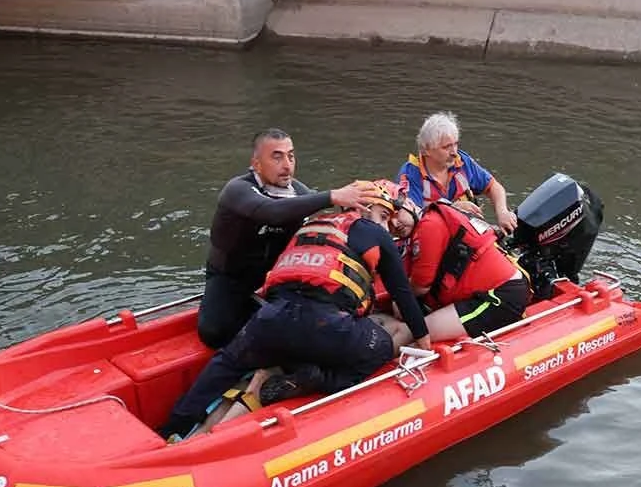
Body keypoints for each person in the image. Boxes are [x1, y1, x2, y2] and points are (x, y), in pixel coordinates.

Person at [160, 181, 431, 441]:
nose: (386, 225)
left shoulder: (312, 225)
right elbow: (403, 296)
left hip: (270, 320)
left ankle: (174, 425)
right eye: (383, 215)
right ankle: (319, 378)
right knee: (383, 344)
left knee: (226, 363)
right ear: (362, 206)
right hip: (327, 327)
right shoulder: (376, 234)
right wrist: (425, 345)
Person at [197, 128, 373, 350]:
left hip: (277, 275)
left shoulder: (298, 192)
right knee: (212, 332)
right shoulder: (238, 190)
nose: (287, 164)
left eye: (290, 156)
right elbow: (272, 211)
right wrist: (331, 196)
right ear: (256, 163)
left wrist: (361, 209)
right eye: (277, 156)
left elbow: (328, 217)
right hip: (230, 276)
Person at [387, 188, 532, 343]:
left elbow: (421, 286)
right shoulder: (425, 224)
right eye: (386, 220)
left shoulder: (429, 226)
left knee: (412, 332)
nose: (394, 224)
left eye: (396, 213)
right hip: (485, 291)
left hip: (498, 295)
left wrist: (397, 298)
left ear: (408, 203)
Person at [395, 111, 518, 234]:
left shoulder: (461, 162)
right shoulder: (410, 175)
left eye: (455, 144)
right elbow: (410, 220)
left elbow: (492, 186)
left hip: (466, 234)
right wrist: (452, 210)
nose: (454, 152)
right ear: (426, 150)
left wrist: (502, 212)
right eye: (446, 147)